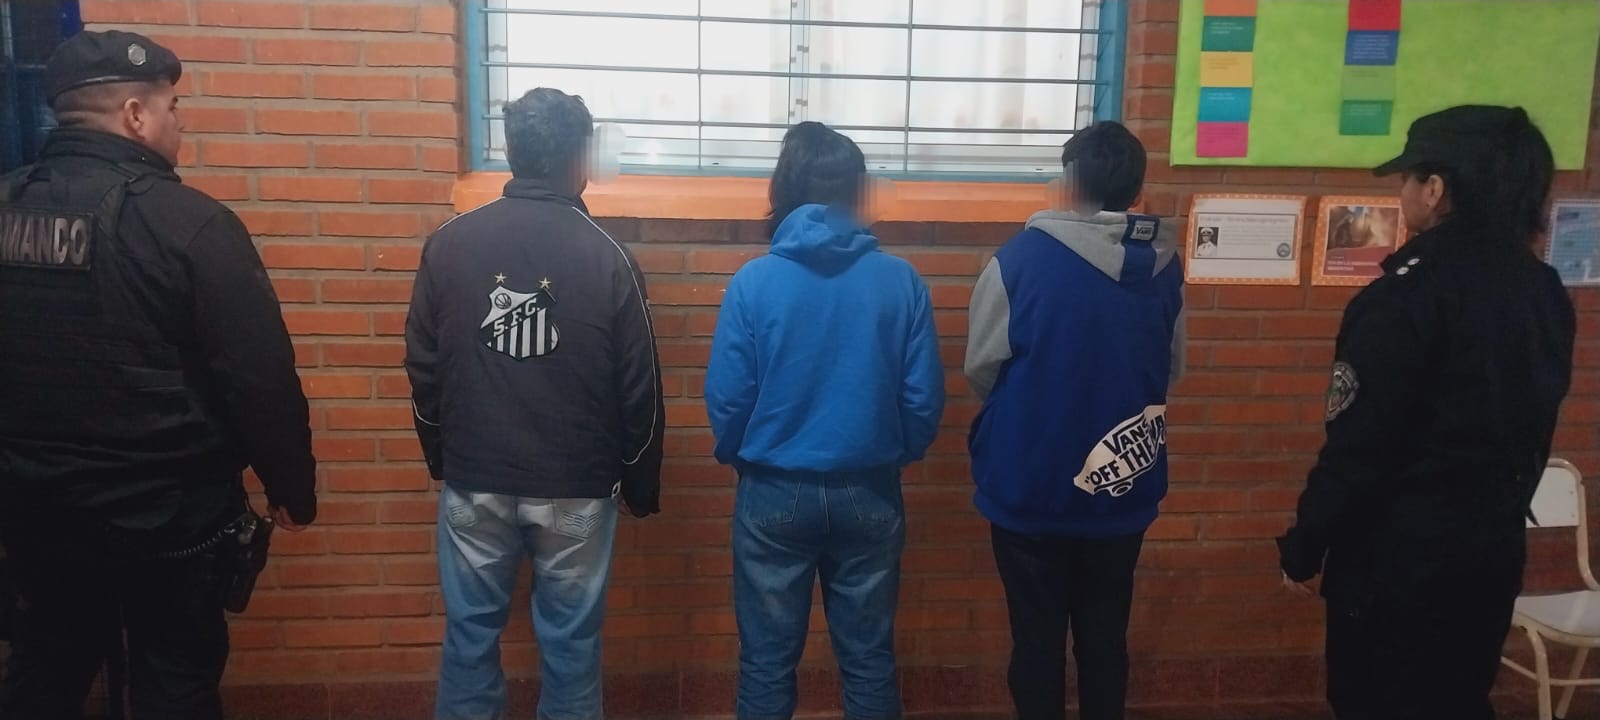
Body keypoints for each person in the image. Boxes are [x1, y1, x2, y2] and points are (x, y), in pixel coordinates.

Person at [0, 31, 318, 719]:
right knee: (175, 680)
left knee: (44, 672)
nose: (181, 123)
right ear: (136, 116)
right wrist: (292, 489)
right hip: (169, 520)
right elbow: (259, 381)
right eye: (173, 107)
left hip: (33, 510)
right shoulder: (191, 225)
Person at [1278, 105, 1576, 720]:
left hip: (1398, 567)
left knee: (1377, 701)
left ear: (1436, 189)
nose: (1404, 192)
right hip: (1491, 556)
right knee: (1459, 699)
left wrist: (1305, 545)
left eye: (1409, 179)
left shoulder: (1406, 296)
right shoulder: (1542, 291)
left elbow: (1359, 449)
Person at [405, 87, 664, 720]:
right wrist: (641, 484)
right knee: (571, 646)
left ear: (512, 151)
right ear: (579, 158)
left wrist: (442, 457)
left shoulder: (449, 243)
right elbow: (640, 388)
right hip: (577, 487)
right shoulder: (609, 257)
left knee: (470, 638)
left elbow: (422, 367)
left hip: (474, 478)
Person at [705, 121, 944, 720]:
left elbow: (729, 400)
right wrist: (894, 453)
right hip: (871, 486)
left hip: (772, 487)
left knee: (766, 661)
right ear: (857, 191)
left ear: (784, 189)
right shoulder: (901, 282)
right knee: (868, 660)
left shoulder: (753, 282)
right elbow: (923, 400)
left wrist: (743, 459)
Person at [964, 121, 1185, 720]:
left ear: (1069, 184)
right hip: (1122, 488)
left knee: (1035, 642)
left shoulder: (1018, 261)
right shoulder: (1165, 266)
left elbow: (982, 367)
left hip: (1031, 486)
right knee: (1106, 639)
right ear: (1136, 190)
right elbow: (1171, 367)